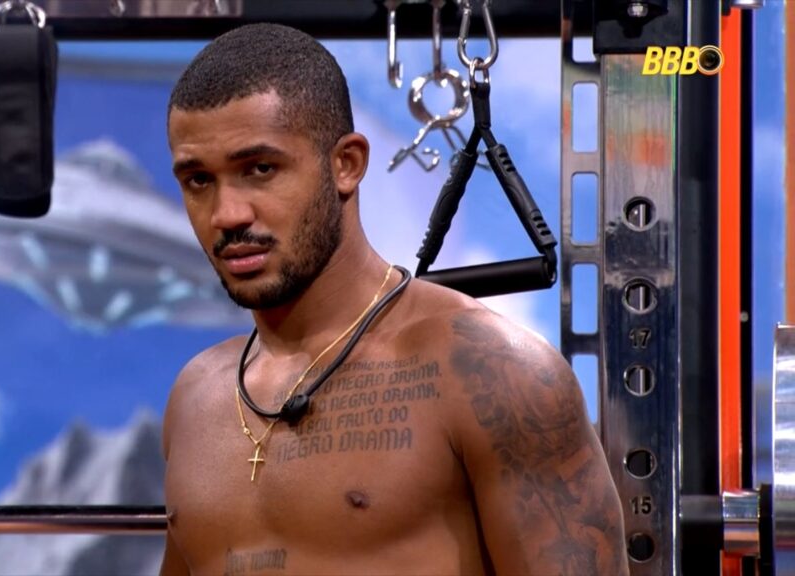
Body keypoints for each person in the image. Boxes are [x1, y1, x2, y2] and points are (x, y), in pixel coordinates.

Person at [160, 23, 627, 576]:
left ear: (346, 164)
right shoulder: (197, 396)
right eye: (198, 180)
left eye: (260, 169)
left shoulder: (492, 373)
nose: (227, 214)